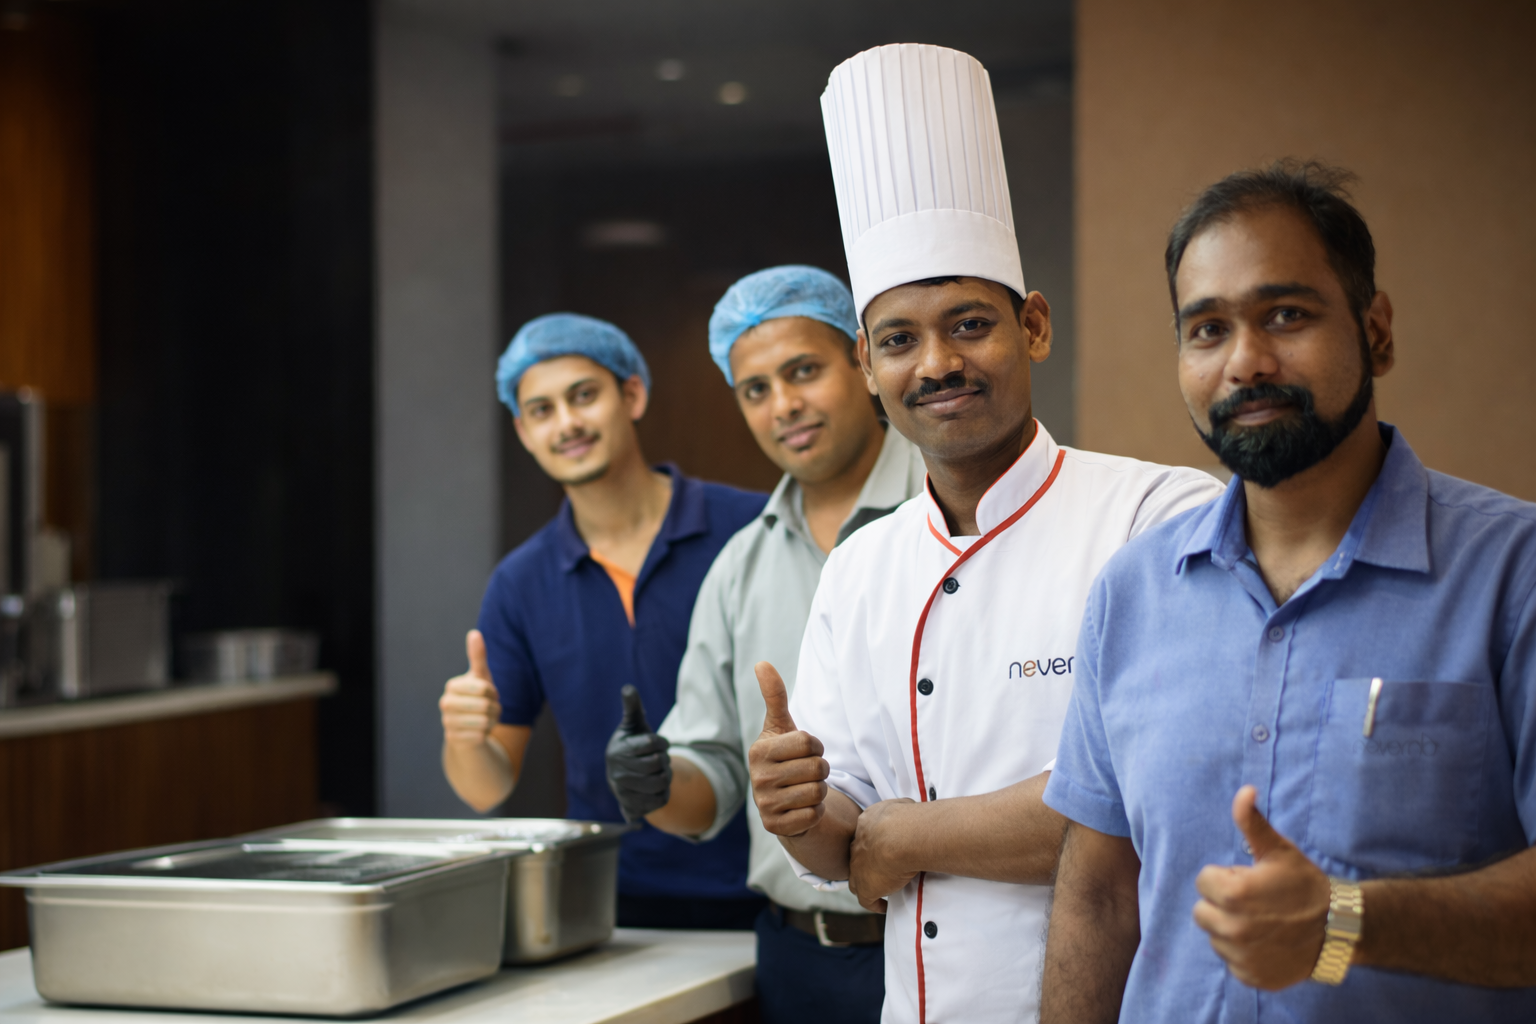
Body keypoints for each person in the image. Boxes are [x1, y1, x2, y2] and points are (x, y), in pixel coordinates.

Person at [745, 44, 1227, 1024]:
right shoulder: (862, 566)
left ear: (1033, 326)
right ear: (869, 366)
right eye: (899, 340)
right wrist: (797, 810)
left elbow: (1158, 792)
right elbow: (844, 842)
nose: (936, 363)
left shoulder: (1161, 517)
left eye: (969, 324)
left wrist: (907, 836)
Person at [1039, 161, 1536, 1023]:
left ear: (1376, 332)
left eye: (1286, 316)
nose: (1247, 362)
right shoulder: (1132, 593)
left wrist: (1346, 922)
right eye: (1208, 330)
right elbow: (1101, 899)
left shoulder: (1513, 573)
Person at [603, 265, 926, 1024]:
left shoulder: (953, 509)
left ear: (862, 360)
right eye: (755, 389)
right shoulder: (739, 569)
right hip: (799, 962)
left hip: (952, 942)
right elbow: (711, 783)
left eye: (803, 371)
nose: (783, 406)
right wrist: (655, 785)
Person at [436, 312, 767, 929]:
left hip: (772, 894)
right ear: (524, 432)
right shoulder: (521, 582)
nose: (567, 423)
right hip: (611, 908)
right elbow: (485, 788)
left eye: (584, 395)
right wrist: (465, 739)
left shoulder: (753, 529)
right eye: (542, 410)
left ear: (632, 395)